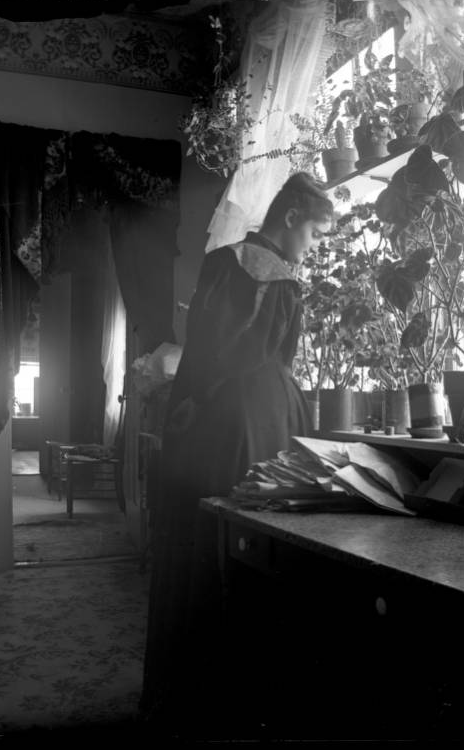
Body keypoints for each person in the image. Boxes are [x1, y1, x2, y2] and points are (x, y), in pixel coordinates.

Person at [140, 172, 334, 730]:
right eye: (316, 235)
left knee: (207, 534)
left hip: (214, 418)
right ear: (292, 217)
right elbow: (283, 361)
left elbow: (202, 353)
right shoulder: (288, 286)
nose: (313, 249)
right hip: (264, 415)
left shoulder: (222, 263)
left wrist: (187, 405)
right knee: (256, 540)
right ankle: (246, 696)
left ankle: (196, 689)